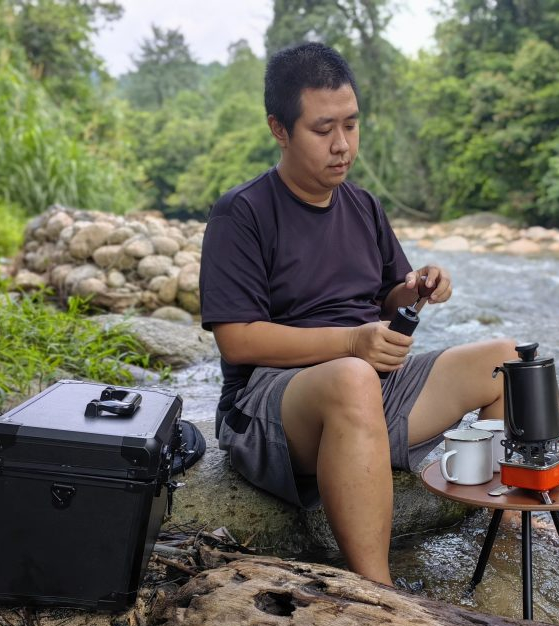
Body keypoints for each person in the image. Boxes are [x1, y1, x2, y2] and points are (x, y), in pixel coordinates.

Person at [200, 42, 515, 586]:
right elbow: (238, 341)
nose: (342, 145)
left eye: (351, 124)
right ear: (280, 128)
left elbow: (388, 294)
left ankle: (506, 530)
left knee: (507, 360)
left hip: (371, 382)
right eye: (323, 129)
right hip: (274, 402)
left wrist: (415, 287)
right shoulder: (243, 212)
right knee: (352, 379)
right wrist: (351, 344)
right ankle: (379, 592)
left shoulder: (363, 204)